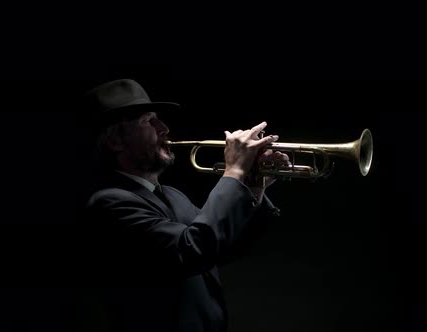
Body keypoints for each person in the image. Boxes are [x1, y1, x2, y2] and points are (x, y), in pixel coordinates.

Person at [77, 79, 287, 332]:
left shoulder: (173, 195)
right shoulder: (110, 202)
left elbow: (218, 248)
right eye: (148, 121)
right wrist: (234, 171)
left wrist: (254, 184)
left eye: (159, 119)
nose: (164, 128)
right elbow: (192, 250)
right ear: (116, 142)